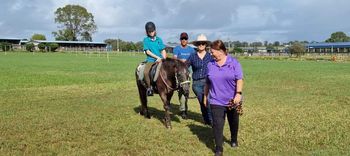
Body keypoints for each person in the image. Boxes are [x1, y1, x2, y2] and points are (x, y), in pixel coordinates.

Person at [204, 40, 244, 156]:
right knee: (217, 123)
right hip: (216, 100)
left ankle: (233, 139)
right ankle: (219, 148)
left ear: (221, 51)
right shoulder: (210, 65)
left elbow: (239, 79)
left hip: (233, 99)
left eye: (212, 52)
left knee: (234, 121)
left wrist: (238, 94)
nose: (211, 54)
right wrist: (206, 97)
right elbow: (207, 82)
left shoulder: (234, 63)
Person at [186, 34, 213, 125]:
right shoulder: (192, 56)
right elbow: (185, 66)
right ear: (197, 45)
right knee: (202, 102)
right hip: (196, 83)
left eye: (203, 43)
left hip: (208, 82)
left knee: (208, 101)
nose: (201, 45)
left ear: (206, 45)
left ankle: (211, 121)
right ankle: (207, 120)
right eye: (199, 43)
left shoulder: (210, 56)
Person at [173, 32, 195, 119]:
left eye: (185, 39)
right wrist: (180, 60)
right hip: (179, 74)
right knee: (181, 90)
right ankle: (183, 110)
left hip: (188, 73)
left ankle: (184, 107)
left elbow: (193, 60)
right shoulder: (176, 49)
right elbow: (174, 59)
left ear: (187, 40)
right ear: (180, 40)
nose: (184, 40)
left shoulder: (191, 50)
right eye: (182, 39)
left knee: (186, 91)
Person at [143, 21, 167, 96]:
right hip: (151, 60)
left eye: (152, 31)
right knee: (145, 72)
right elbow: (147, 52)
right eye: (149, 31)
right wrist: (157, 57)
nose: (151, 33)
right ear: (147, 32)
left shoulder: (159, 40)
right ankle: (149, 88)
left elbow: (163, 50)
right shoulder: (146, 40)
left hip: (160, 59)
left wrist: (163, 58)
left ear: (155, 30)